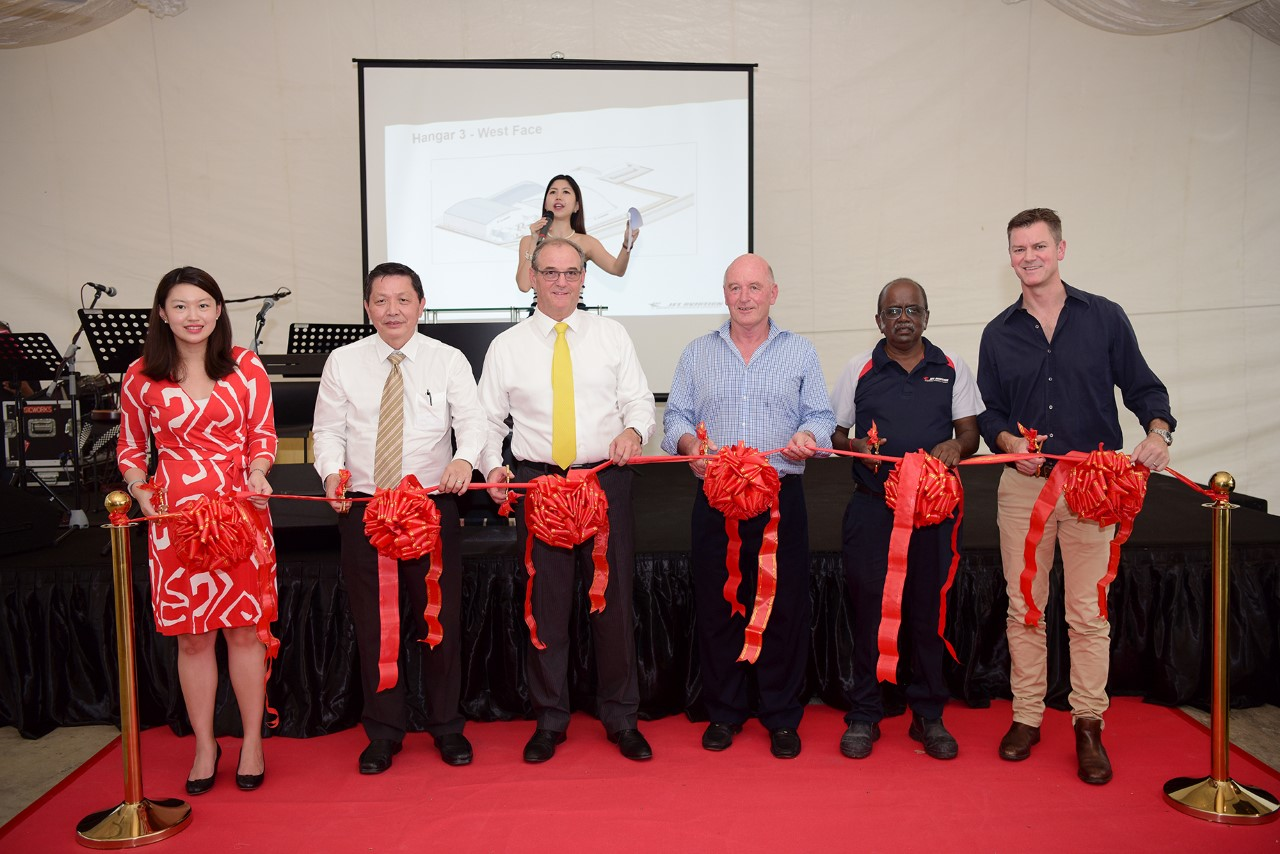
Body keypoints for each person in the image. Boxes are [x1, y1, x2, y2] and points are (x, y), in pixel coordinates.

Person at [977, 208, 1175, 784]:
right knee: (1025, 608)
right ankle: (1027, 717)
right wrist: (1010, 439)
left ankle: (1088, 724)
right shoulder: (998, 332)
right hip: (1023, 489)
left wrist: (1157, 433)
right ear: (1010, 257)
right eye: (1018, 249)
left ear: (1061, 249)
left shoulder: (1104, 317)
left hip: (1094, 486)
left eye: (1039, 246)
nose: (1029, 257)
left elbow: (1144, 386)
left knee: (1088, 613)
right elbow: (988, 410)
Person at [479, 237, 656, 764]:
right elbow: (488, 419)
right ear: (532, 278)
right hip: (540, 486)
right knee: (546, 609)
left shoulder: (612, 335)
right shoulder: (507, 346)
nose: (561, 281)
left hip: (603, 480)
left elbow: (639, 401)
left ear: (584, 278)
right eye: (550, 272)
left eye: (571, 272)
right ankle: (550, 719)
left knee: (612, 603)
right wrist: (493, 466)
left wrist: (633, 430)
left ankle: (622, 717)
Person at [312, 262, 486, 775]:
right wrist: (331, 474)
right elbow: (327, 432)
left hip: (430, 507)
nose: (392, 310)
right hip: (366, 510)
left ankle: (447, 725)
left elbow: (471, 421)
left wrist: (464, 458)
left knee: (439, 621)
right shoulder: (343, 362)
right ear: (367, 307)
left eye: (403, 300)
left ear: (420, 304)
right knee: (376, 625)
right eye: (381, 301)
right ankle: (384, 731)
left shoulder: (447, 360)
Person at [663, 253, 835, 760]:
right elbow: (675, 416)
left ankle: (782, 716)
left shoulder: (800, 352)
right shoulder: (697, 353)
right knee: (719, 607)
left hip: (781, 501)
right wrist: (688, 448)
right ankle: (724, 711)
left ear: (773, 294)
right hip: (716, 501)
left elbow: (821, 416)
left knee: (783, 608)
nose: (744, 297)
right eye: (735, 287)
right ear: (724, 294)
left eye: (754, 287)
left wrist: (809, 436)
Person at [117, 266, 277, 794]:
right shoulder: (140, 374)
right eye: (181, 306)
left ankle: (252, 740)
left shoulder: (246, 367)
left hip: (240, 513)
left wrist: (258, 472)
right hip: (174, 521)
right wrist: (140, 489)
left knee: (245, 633)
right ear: (162, 312)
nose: (194, 316)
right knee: (193, 639)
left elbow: (263, 437)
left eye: (204, 305)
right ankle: (206, 745)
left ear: (219, 311)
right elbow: (130, 450)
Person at [829, 278, 982, 761]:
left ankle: (928, 714)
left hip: (933, 513)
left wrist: (956, 447)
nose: (903, 319)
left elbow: (971, 434)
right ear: (879, 320)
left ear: (927, 317)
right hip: (873, 508)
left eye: (912, 310)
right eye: (893, 311)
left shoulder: (952, 366)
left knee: (925, 614)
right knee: (869, 609)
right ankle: (864, 714)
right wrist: (855, 447)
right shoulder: (860, 368)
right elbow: (835, 433)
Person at [513, 174, 639, 299]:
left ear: (576, 206)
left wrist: (627, 244)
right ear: (545, 204)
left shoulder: (587, 242)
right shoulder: (529, 240)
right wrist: (535, 240)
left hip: (576, 316)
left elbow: (617, 269)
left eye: (566, 192)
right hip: (541, 316)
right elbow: (524, 286)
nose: (558, 197)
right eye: (552, 192)